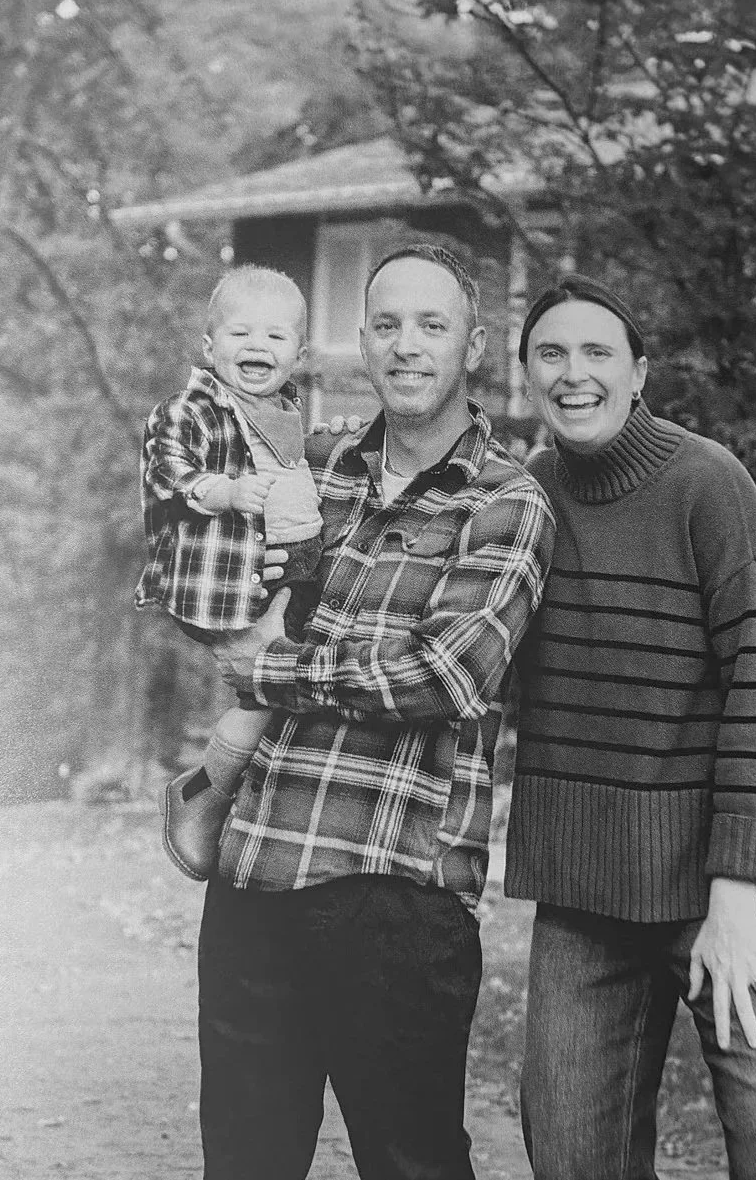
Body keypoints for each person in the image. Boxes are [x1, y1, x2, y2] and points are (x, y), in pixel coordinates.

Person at [204, 244, 555, 1180]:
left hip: (395, 891)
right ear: (360, 341)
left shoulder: (507, 499)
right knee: (241, 1165)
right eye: (387, 324)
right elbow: (212, 577)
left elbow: (446, 672)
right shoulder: (311, 471)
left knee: (412, 1167)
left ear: (474, 347)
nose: (407, 345)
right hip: (256, 872)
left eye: (432, 325)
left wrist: (275, 672)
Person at [504, 273, 756, 1180]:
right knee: (572, 1156)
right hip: (590, 873)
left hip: (740, 872)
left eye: (598, 352)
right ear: (527, 373)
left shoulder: (707, 483)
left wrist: (733, 899)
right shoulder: (523, 500)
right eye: (552, 353)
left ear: (640, 370)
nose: (575, 373)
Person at [135, 265, 324, 881]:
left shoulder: (289, 412)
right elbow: (165, 466)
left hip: (274, 571)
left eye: (275, 337)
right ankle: (201, 797)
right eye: (240, 334)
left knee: (288, 688)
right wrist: (222, 489)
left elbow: (302, 471)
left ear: (299, 352)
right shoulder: (194, 408)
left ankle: (218, 795)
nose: (256, 348)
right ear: (210, 347)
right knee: (267, 686)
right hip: (216, 581)